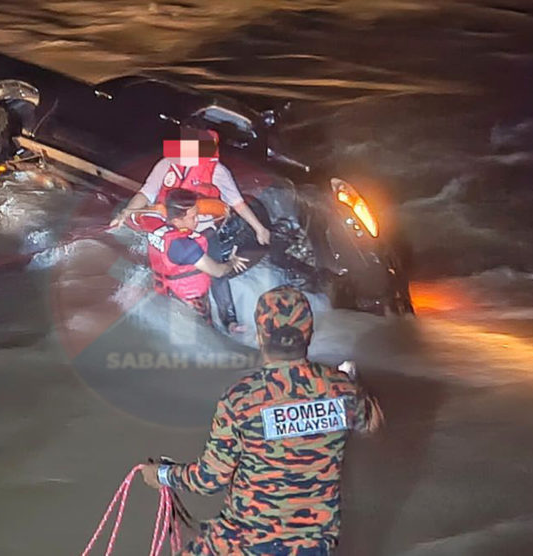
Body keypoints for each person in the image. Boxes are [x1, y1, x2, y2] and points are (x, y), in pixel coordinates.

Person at [141, 286, 384, 555]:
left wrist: (161, 475)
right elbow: (371, 424)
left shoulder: (243, 398)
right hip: (315, 544)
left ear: (259, 337)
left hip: (246, 541)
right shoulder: (342, 390)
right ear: (309, 335)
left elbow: (209, 479)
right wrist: (354, 384)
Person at [112, 128, 270, 329]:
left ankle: (229, 321)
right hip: (173, 228)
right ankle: (146, 306)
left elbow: (237, 203)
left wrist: (259, 228)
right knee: (162, 270)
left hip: (203, 229)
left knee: (216, 273)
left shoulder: (218, 171)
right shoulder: (166, 164)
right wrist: (126, 212)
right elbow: (146, 193)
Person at [129, 188, 248, 326]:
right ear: (177, 220)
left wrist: (124, 214)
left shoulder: (152, 222)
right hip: (190, 303)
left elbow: (135, 215)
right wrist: (232, 262)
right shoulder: (184, 247)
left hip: (164, 295)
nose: (197, 221)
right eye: (192, 217)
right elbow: (218, 271)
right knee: (205, 336)